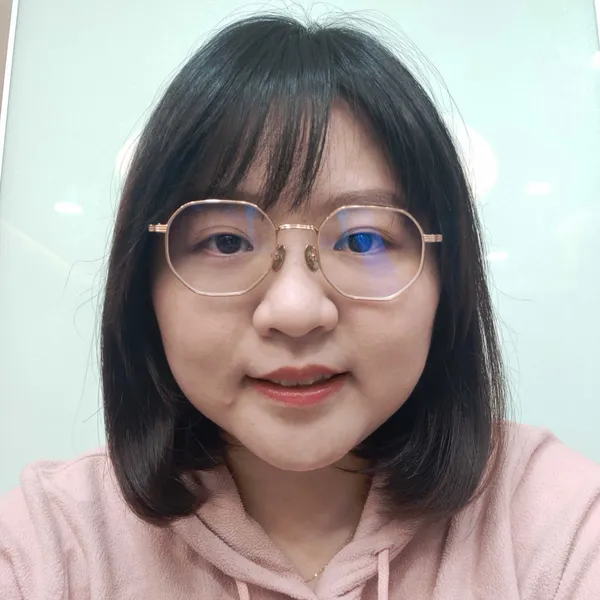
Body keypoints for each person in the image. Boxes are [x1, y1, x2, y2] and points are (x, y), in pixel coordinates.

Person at [1, 14, 599, 600]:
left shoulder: (552, 523)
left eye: (362, 240)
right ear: (144, 286)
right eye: (226, 241)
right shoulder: (52, 545)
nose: (294, 310)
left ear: (448, 279)